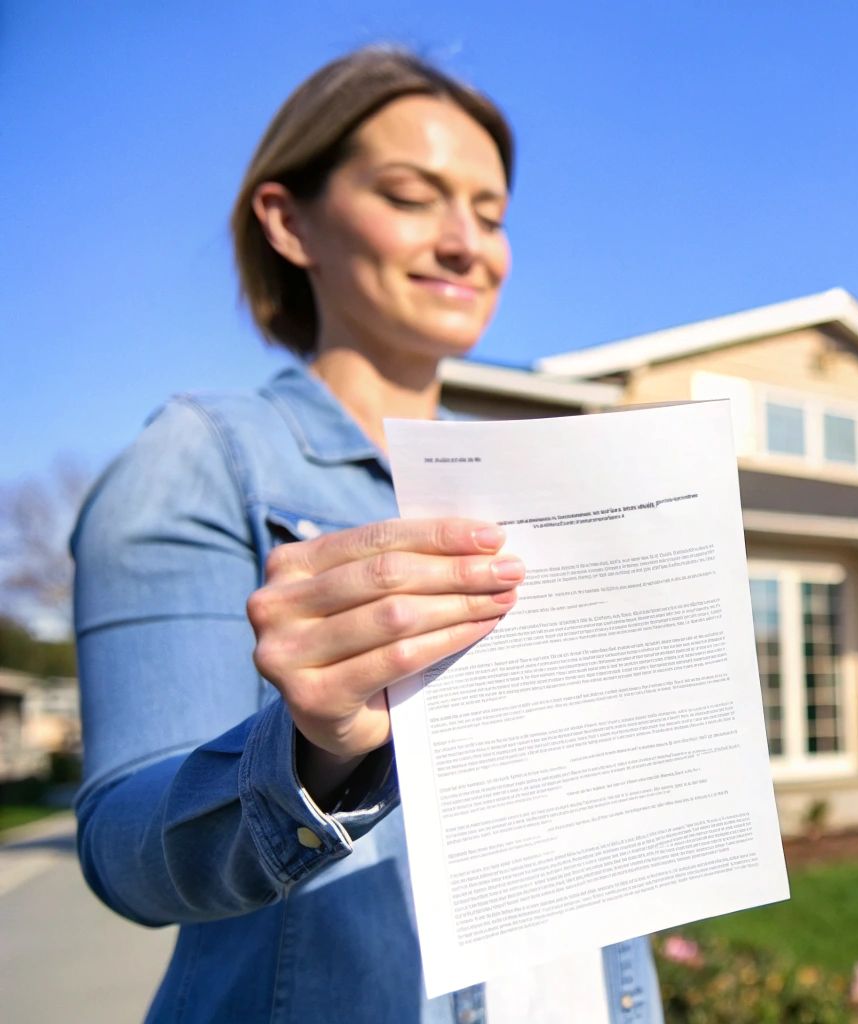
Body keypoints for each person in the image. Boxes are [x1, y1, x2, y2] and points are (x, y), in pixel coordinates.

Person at [69, 46, 663, 1023]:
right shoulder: (198, 460)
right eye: (411, 195)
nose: (465, 241)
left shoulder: (536, 487)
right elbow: (125, 847)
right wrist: (312, 754)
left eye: (490, 211)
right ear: (288, 220)